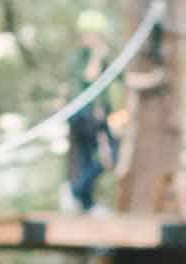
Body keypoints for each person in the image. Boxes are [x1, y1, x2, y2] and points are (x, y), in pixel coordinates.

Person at [65, 9, 120, 212]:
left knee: (110, 156)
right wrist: (97, 55)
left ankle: (83, 197)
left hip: (99, 116)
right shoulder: (78, 58)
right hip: (83, 117)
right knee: (93, 157)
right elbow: (90, 77)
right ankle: (79, 194)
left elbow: (120, 76)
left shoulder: (103, 56)